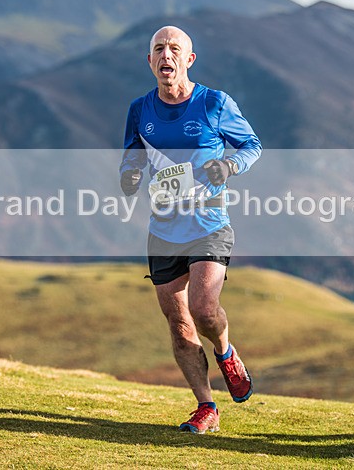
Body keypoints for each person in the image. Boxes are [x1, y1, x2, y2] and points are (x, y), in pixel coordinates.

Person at [119, 25, 262, 434]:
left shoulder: (215, 103)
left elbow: (252, 145)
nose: (167, 55)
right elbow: (132, 155)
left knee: (203, 307)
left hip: (209, 223)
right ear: (150, 61)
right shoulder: (139, 109)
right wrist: (129, 176)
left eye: (175, 48)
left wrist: (229, 165)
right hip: (163, 228)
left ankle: (226, 351)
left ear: (189, 59)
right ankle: (206, 406)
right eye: (159, 49)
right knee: (179, 325)